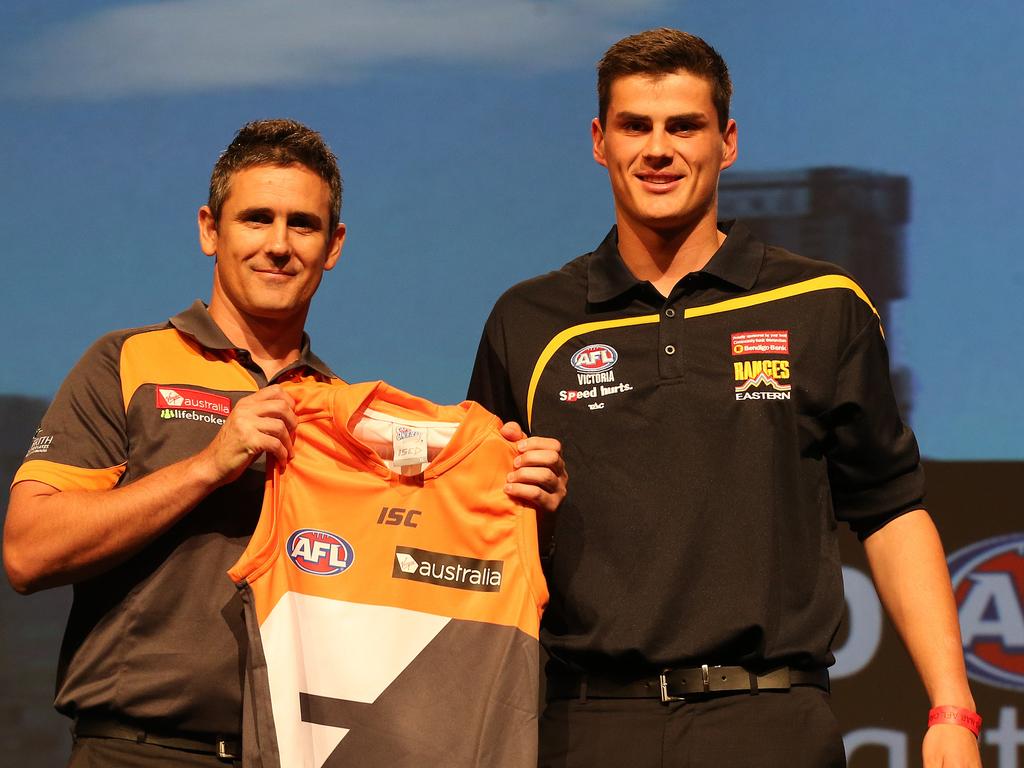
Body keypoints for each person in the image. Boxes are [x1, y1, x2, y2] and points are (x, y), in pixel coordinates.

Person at [468, 28, 980, 768]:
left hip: (769, 721)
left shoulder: (820, 304)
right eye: (634, 126)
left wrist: (953, 711)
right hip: (584, 725)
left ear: (727, 141)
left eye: (685, 126)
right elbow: (480, 541)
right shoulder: (530, 319)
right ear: (598, 141)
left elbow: (891, 509)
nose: (658, 149)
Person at [3, 118, 566, 767]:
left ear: (334, 245)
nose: (278, 245)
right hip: (139, 749)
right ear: (210, 230)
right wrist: (208, 466)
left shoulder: (352, 423)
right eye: (256, 219)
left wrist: (529, 505)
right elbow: (28, 551)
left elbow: (436, 584)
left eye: (302, 224)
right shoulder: (128, 361)